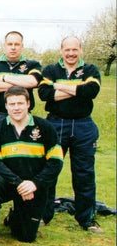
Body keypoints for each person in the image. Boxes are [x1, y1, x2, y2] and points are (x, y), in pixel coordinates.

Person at [0, 86, 63, 246]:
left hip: (33, 186)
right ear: (6, 106)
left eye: (20, 103)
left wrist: (35, 183)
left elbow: (56, 162)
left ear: (28, 104)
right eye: (12, 104)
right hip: (8, 183)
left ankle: (14, 215)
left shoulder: (45, 128)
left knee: (26, 237)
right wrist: (19, 183)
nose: (16, 107)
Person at [37, 36, 103, 233]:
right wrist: (76, 89)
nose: (71, 53)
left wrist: (57, 86)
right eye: (67, 50)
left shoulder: (90, 70)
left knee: (84, 173)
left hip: (83, 125)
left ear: (80, 50)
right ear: (61, 50)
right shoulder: (51, 70)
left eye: (75, 50)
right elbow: (43, 94)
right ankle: (43, 214)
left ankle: (86, 219)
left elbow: (90, 91)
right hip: (56, 123)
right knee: (49, 171)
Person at [0, 30, 42, 128]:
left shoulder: (32, 65)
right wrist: (22, 84)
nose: (13, 47)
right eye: (10, 44)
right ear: (4, 46)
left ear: (22, 46)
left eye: (17, 44)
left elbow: (33, 81)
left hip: (23, 116)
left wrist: (5, 78)